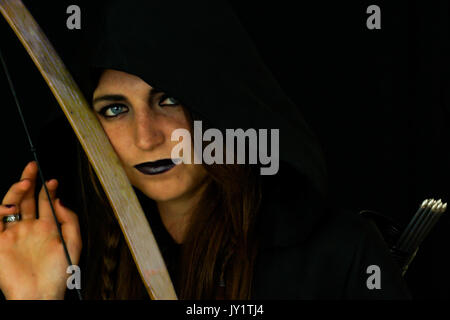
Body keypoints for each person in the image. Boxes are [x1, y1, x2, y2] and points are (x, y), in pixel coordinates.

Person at [0, 0, 411, 300]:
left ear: (219, 106)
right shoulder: (77, 254)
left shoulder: (335, 252)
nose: (146, 138)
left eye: (168, 100)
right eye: (115, 109)